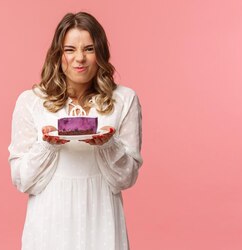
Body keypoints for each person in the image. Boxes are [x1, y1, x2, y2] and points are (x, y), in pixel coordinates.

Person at [8, 11, 143, 250]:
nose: (79, 58)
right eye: (70, 49)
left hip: (102, 219)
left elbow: (126, 178)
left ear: (100, 53)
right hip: (49, 222)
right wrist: (46, 146)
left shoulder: (124, 99)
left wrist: (108, 145)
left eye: (89, 49)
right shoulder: (31, 101)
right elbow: (22, 180)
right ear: (58, 55)